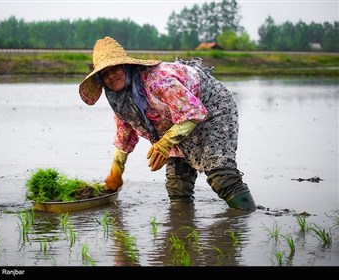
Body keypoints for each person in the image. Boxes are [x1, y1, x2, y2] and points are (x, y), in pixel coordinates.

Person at [79, 36, 256, 212]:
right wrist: (116, 172)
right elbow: (124, 137)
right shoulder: (120, 103)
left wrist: (164, 144)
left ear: (125, 66)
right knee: (177, 186)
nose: (111, 76)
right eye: (105, 74)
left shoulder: (158, 80)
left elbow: (192, 112)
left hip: (211, 109)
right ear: (101, 81)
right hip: (175, 123)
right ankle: (180, 228)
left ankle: (246, 218)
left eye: (114, 68)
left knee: (221, 176)